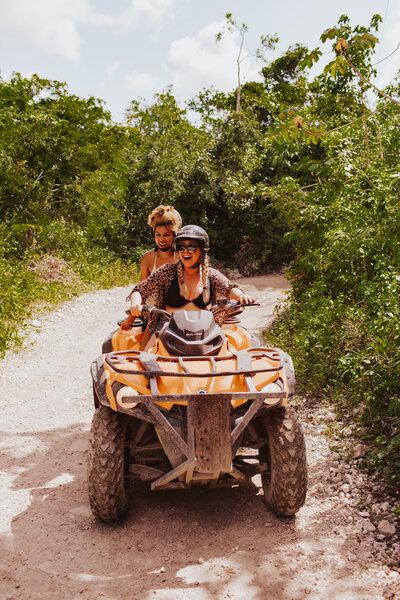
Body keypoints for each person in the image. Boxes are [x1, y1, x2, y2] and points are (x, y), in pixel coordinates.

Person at [127, 225, 255, 340]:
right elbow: (140, 290)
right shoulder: (167, 272)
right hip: (166, 331)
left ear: (202, 250)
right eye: (181, 247)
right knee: (147, 358)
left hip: (204, 333)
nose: (185, 251)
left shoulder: (211, 275)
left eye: (191, 247)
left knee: (229, 355)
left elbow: (229, 288)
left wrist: (241, 296)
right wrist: (135, 304)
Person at [140, 205, 182, 281]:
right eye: (158, 234)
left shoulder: (182, 257)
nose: (161, 239)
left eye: (167, 235)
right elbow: (141, 290)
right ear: (153, 235)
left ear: (175, 235)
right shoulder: (147, 258)